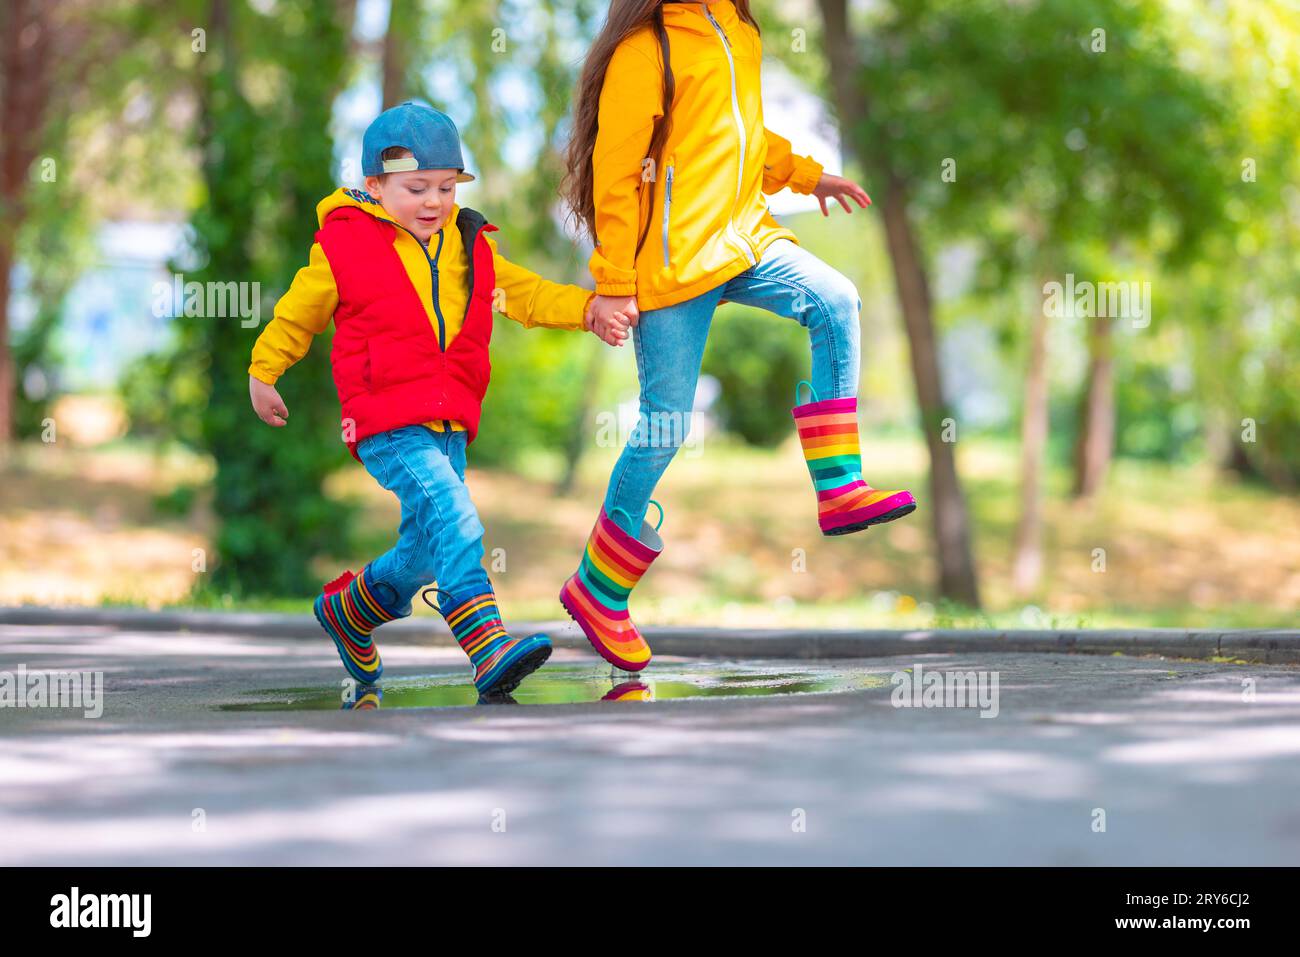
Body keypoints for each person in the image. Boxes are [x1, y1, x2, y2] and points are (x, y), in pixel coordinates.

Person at [558, 0, 917, 672]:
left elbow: (745, 136)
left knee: (836, 299)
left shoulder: (739, 28)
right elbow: (614, 170)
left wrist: (808, 175)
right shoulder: (647, 49)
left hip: (745, 240)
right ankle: (598, 587)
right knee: (665, 423)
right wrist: (612, 279)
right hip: (672, 263)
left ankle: (839, 485)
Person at [248, 101, 629, 699]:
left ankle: (353, 608)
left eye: (446, 188)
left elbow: (524, 294)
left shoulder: (467, 245)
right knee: (454, 515)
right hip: (384, 419)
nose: (433, 202)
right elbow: (300, 311)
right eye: (416, 188)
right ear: (375, 187)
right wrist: (264, 370)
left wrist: (587, 309)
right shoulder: (344, 247)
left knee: (426, 548)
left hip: (449, 419)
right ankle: (487, 642)